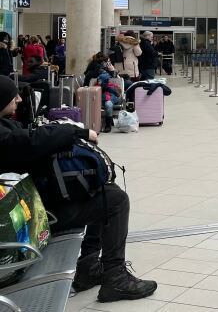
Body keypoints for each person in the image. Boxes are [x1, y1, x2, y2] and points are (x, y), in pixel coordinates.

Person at [0, 76, 157, 302]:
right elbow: (29, 141)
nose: (18, 98)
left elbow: (28, 138)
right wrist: (77, 132)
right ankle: (115, 277)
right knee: (114, 200)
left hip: (25, 210)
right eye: (11, 95)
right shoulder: (4, 136)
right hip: (30, 221)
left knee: (94, 188)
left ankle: (89, 267)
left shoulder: (5, 126)